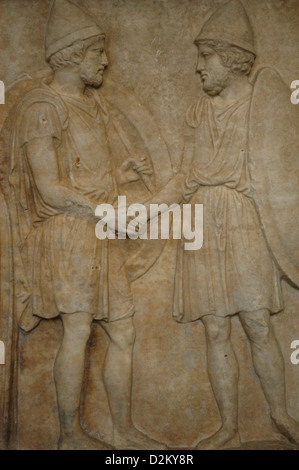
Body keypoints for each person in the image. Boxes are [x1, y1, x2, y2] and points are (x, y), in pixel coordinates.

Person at [141, 0, 299, 450]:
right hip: (202, 222)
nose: (197, 68)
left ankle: (280, 414)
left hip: (246, 220)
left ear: (231, 57)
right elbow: (184, 177)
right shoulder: (197, 112)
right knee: (214, 327)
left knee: (258, 323)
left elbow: (286, 174)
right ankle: (229, 426)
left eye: (204, 57)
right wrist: (146, 209)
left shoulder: (265, 106)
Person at [9, 0, 165, 450]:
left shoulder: (89, 105)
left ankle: (123, 429)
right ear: (74, 53)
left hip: (95, 230)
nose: (105, 60)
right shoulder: (43, 108)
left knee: (124, 330)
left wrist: (123, 178)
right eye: (98, 51)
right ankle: (69, 434)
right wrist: (104, 211)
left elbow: (89, 175)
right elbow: (51, 189)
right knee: (78, 329)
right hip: (66, 233)